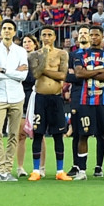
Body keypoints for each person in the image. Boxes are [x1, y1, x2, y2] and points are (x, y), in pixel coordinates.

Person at [67, 24, 104, 180]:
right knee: (83, 135)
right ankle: (82, 171)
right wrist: (99, 71)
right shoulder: (78, 55)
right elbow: (78, 74)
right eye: (91, 35)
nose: (94, 37)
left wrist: (88, 73)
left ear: (102, 37)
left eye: (97, 35)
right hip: (85, 101)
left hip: (103, 102)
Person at [0, 20, 29, 181]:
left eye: (10, 29)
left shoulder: (21, 51)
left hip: (17, 96)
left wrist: (3, 70)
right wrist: (13, 72)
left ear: (14, 32)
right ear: (1, 31)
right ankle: (0, 169)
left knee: (13, 134)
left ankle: (7, 169)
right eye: (4, 28)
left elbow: (23, 76)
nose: (7, 31)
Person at [29, 26, 71, 181]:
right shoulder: (34, 54)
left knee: (58, 135)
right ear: (40, 37)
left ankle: (60, 171)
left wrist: (44, 69)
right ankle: (36, 170)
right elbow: (35, 74)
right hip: (40, 98)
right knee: (38, 134)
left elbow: (62, 75)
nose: (46, 37)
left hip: (56, 98)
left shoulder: (62, 54)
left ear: (54, 37)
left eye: (49, 35)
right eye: (44, 35)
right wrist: (44, 56)